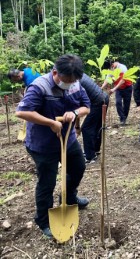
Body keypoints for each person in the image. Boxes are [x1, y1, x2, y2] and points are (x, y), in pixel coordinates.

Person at [15, 54, 91, 239]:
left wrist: (74, 113)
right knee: (47, 182)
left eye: (73, 81)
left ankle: (69, 197)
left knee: (78, 167)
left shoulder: (75, 83)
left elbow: (86, 107)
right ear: (55, 73)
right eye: (66, 81)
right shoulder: (39, 86)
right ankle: (43, 220)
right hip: (43, 145)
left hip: (68, 139)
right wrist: (50, 122)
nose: (70, 84)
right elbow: (22, 112)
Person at [78, 73, 109, 163]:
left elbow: (77, 106)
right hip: (104, 97)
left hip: (97, 102)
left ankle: (90, 156)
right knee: (97, 126)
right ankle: (95, 149)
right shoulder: (81, 75)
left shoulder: (75, 81)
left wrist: (77, 127)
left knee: (86, 128)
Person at [101, 61, 133, 126]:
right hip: (119, 89)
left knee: (126, 105)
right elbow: (107, 80)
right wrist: (101, 88)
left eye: (111, 67)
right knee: (118, 102)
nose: (111, 69)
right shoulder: (111, 70)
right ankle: (122, 118)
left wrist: (113, 89)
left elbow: (122, 81)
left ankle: (124, 118)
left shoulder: (122, 68)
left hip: (127, 87)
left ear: (113, 64)